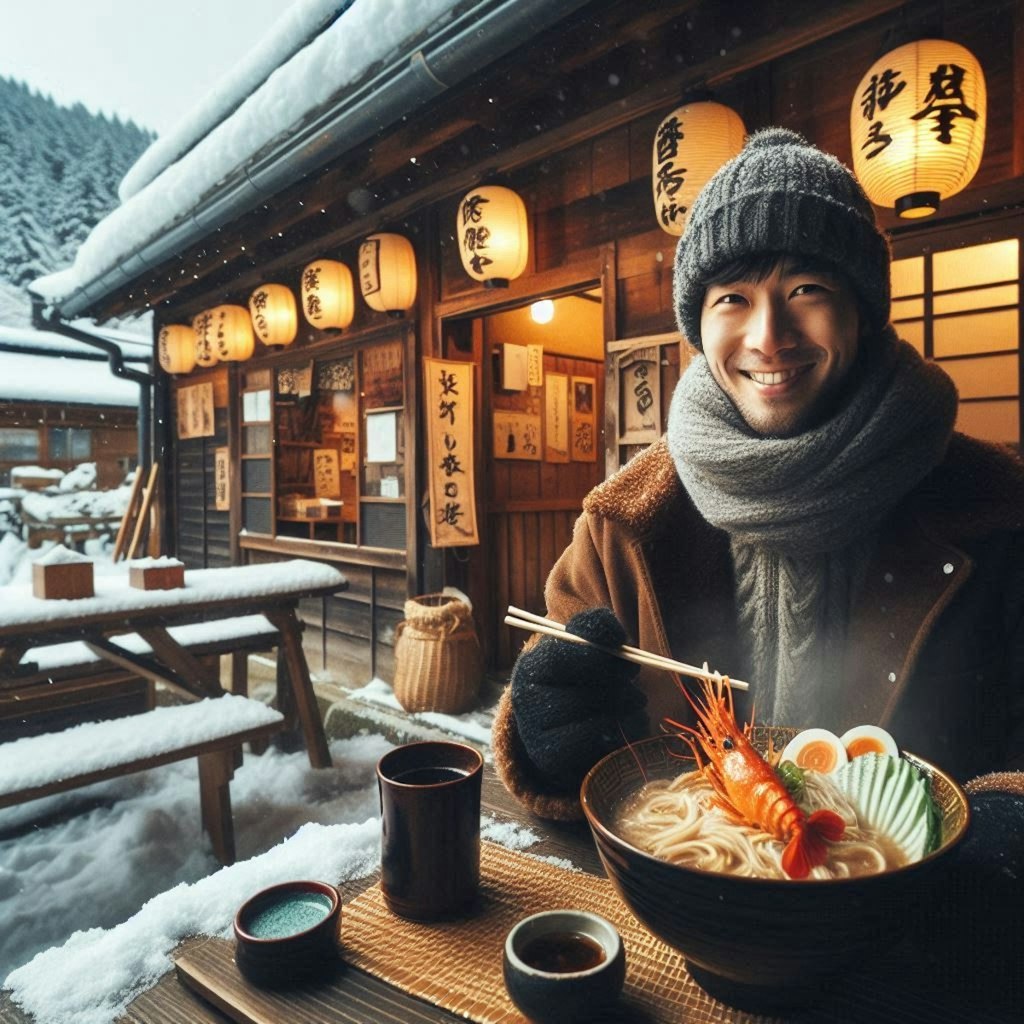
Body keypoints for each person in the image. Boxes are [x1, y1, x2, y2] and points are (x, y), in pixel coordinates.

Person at [492, 127, 1024, 825]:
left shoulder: (996, 507)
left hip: (925, 915)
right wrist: (545, 736)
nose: (768, 335)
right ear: (698, 324)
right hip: (682, 911)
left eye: (807, 289)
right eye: (731, 299)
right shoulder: (623, 524)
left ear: (861, 314)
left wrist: (1001, 832)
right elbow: (556, 710)